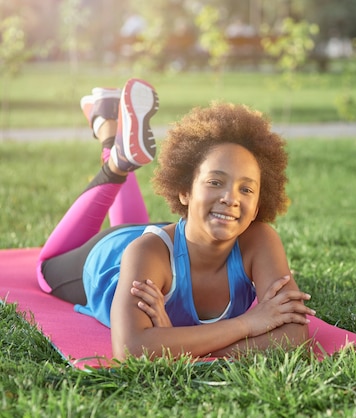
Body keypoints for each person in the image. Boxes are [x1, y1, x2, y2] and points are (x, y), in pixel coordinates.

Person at [37, 78, 316, 360]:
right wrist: (248, 324)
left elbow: (293, 334)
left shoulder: (259, 240)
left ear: (257, 207)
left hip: (174, 235)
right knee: (45, 267)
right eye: (215, 182)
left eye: (246, 189)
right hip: (107, 256)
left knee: (145, 234)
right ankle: (115, 163)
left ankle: (111, 134)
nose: (231, 198)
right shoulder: (146, 253)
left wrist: (174, 341)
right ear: (185, 190)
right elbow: (131, 350)